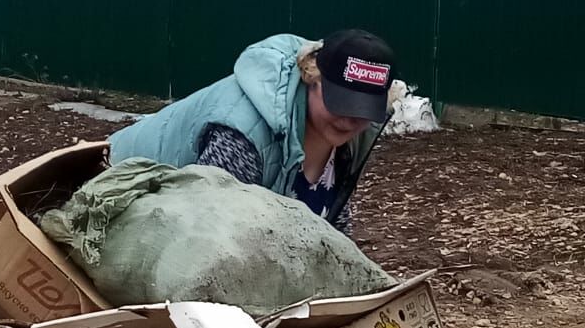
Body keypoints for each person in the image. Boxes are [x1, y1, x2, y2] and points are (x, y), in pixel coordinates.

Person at [108, 30, 398, 235]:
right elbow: (200, 230)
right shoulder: (245, 135)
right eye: (341, 103)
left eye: (362, 109)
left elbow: (333, 231)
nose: (349, 120)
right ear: (311, 79)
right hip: (115, 200)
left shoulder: (347, 142)